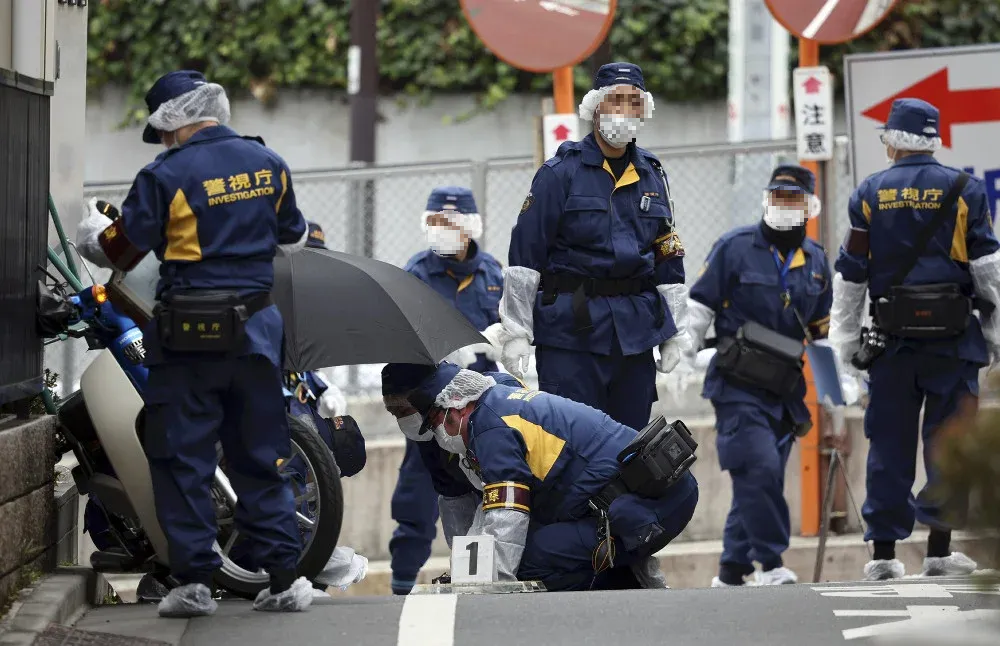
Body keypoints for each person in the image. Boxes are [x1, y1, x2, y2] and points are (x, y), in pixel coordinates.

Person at [76, 70, 313, 615]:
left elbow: (118, 251)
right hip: (255, 331)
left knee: (183, 457)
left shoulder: (165, 175)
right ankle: (283, 578)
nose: (161, 141)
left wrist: (93, 229)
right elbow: (294, 236)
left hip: (188, 339)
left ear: (172, 122)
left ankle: (194, 585)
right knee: (261, 453)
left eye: (160, 131)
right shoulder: (268, 163)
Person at [829, 98, 997, 581]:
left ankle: (883, 557)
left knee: (889, 443)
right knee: (950, 443)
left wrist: (844, 339)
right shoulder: (966, 189)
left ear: (893, 142)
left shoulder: (868, 193)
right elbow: (988, 270)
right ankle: (940, 552)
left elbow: (851, 275)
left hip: (892, 341)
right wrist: (997, 334)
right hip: (955, 340)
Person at [486, 62, 689, 434]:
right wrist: (515, 331)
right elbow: (525, 256)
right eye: (616, 101)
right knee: (571, 442)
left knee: (631, 448)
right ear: (595, 107)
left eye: (634, 103)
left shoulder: (652, 173)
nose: (625, 112)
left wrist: (676, 332)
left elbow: (667, 254)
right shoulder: (560, 172)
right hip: (571, 332)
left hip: (634, 334)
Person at [381, 362, 700, 591]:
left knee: (525, 561)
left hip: (649, 508)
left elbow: (507, 515)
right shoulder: (497, 398)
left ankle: (615, 585)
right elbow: (489, 503)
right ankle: (618, 576)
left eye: (438, 424)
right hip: (645, 497)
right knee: (525, 543)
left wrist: (489, 585)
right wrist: (468, 569)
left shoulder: (492, 428)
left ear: (455, 408)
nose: (440, 434)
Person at [683, 165, 832, 587]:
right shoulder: (734, 247)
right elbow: (700, 306)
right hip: (737, 383)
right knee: (760, 468)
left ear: (810, 208)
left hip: (784, 389)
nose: (785, 208)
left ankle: (732, 571)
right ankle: (770, 563)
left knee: (755, 480)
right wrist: (686, 351)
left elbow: (821, 333)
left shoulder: (817, 261)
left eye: (794, 201)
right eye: (778, 198)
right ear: (766, 200)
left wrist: (838, 384)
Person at [388, 187, 503, 594]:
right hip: (429, 408)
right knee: (415, 501)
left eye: (451, 222)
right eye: (436, 222)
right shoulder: (415, 273)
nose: (443, 230)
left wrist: (497, 348)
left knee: (489, 496)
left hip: (481, 416)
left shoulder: (493, 276)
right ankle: (402, 583)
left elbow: (512, 335)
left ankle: (481, 579)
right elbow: (398, 336)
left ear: (470, 227)